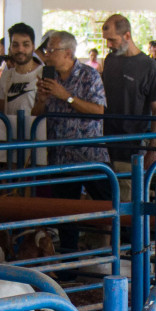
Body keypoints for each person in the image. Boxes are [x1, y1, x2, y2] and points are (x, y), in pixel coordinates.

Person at [37, 30, 108, 256]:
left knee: (108, 204)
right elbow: (36, 114)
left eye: (51, 50)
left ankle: (121, 254)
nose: (47, 55)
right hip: (60, 156)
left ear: (68, 53)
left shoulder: (90, 76)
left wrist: (65, 96)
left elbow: (99, 111)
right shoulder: (48, 77)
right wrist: (41, 100)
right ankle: (70, 266)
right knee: (65, 214)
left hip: (90, 155)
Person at [99, 13, 156, 170]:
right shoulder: (110, 60)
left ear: (127, 35)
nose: (109, 45)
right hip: (104, 141)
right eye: (106, 40)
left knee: (127, 190)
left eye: (112, 40)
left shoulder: (150, 67)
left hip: (131, 143)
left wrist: (152, 149)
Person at [0, 23, 43, 133]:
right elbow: (1, 109)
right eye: (15, 45)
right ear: (10, 48)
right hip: (10, 139)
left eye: (25, 45)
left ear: (33, 46)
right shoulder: (6, 75)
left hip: (35, 138)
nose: (20, 49)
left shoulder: (43, 73)